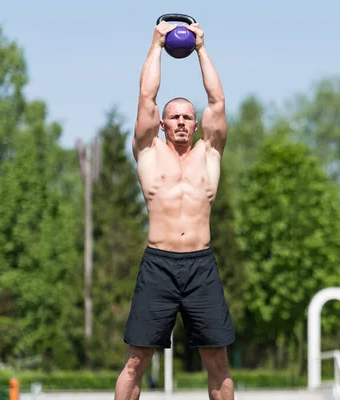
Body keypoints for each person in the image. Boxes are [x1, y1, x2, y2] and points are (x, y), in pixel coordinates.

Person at [114, 20, 235, 400]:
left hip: (201, 266)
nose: (181, 122)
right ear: (162, 124)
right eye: (174, 117)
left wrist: (200, 48)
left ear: (196, 124)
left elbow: (218, 102)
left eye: (187, 117)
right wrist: (155, 44)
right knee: (136, 362)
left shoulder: (209, 152)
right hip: (158, 265)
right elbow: (145, 97)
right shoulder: (149, 151)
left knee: (218, 362)